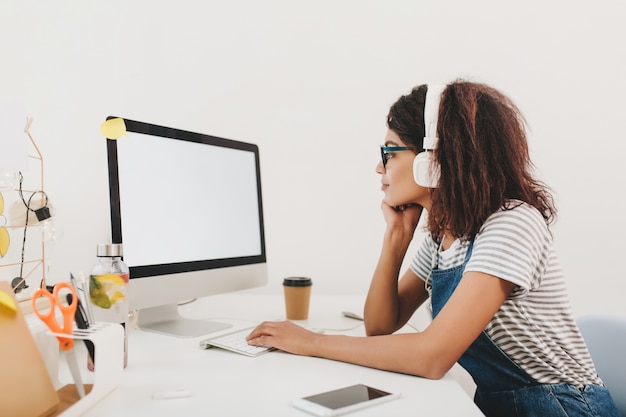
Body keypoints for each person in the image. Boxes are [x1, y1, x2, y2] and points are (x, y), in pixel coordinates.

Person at [247, 80, 620, 417]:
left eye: (390, 152)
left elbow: (432, 356)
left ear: (434, 159)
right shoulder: (442, 235)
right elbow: (380, 326)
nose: (379, 168)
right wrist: (395, 240)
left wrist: (313, 342)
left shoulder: (510, 223)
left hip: (563, 408)